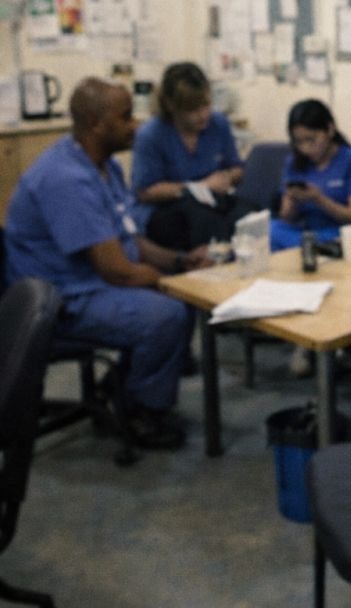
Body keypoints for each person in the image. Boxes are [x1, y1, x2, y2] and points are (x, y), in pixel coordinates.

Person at [4, 77, 209, 450]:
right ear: (98, 124)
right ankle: (140, 411)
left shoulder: (105, 167)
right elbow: (116, 268)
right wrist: (170, 282)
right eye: (126, 117)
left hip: (93, 283)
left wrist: (180, 261)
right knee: (166, 315)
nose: (137, 124)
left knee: (181, 297)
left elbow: (132, 242)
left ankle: (122, 389)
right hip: (63, 300)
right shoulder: (65, 178)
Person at [131, 61, 254, 250]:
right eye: (193, 109)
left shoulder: (218, 124)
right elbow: (146, 191)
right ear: (171, 106)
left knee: (251, 217)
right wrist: (198, 188)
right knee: (207, 225)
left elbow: (237, 168)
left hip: (212, 201)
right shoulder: (151, 134)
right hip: (166, 208)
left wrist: (227, 177)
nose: (203, 115)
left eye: (206, 105)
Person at [271, 99, 351, 251]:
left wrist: (319, 199)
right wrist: (293, 199)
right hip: (303, 231)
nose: (305, 149)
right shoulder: (295, 162)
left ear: (330, 130)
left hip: (337, 233)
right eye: (299, 142)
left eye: (311, 140)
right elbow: (286, 217)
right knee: (272, 230)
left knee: (329, 242)